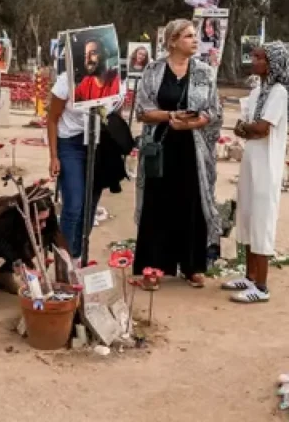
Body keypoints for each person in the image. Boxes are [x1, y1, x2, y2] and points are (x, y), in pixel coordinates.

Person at [132, 19, 223, 288]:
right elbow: (142, 109)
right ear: (172, 41)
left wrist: (194, 122)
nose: (195, 41)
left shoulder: (205, 72)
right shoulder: (153, 70)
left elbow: (215, 110)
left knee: (192, 203)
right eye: (188, 36)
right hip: (160, 147)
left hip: (193, 150)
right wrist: (171, 116)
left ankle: (192, 265)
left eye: (196, 36)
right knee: (157, 205)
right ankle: (153, 267)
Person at [223, 42, 289, 303]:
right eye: (254, 56)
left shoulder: (278, 92)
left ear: (273, 64)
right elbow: (242, 127)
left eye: (259, 58)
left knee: (262, 219)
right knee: (246, 215)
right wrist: (246, 128)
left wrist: (246, 127)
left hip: (267, 163)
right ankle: (249, 275)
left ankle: (262, 286)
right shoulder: (257, 90)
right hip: (250, 159)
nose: (253, 61)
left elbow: (261, 128)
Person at [47, 50, 125, 260]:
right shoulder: (66, 82)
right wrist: (54, 156)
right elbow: (52, 118)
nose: (92, 58)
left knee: (90, 205)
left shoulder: (115, 83)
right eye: (87, 53)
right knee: (73, 204)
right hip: (70, 143)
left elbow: (116, 114)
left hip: (99, 145)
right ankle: (64, 260)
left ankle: (77, 255)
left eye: (95, 53)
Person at [74, 37, 120, 103]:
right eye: (85, 55)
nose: (87, 60)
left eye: (93, 53)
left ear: (105, 54)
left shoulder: (117, 81)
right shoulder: (86, 81)